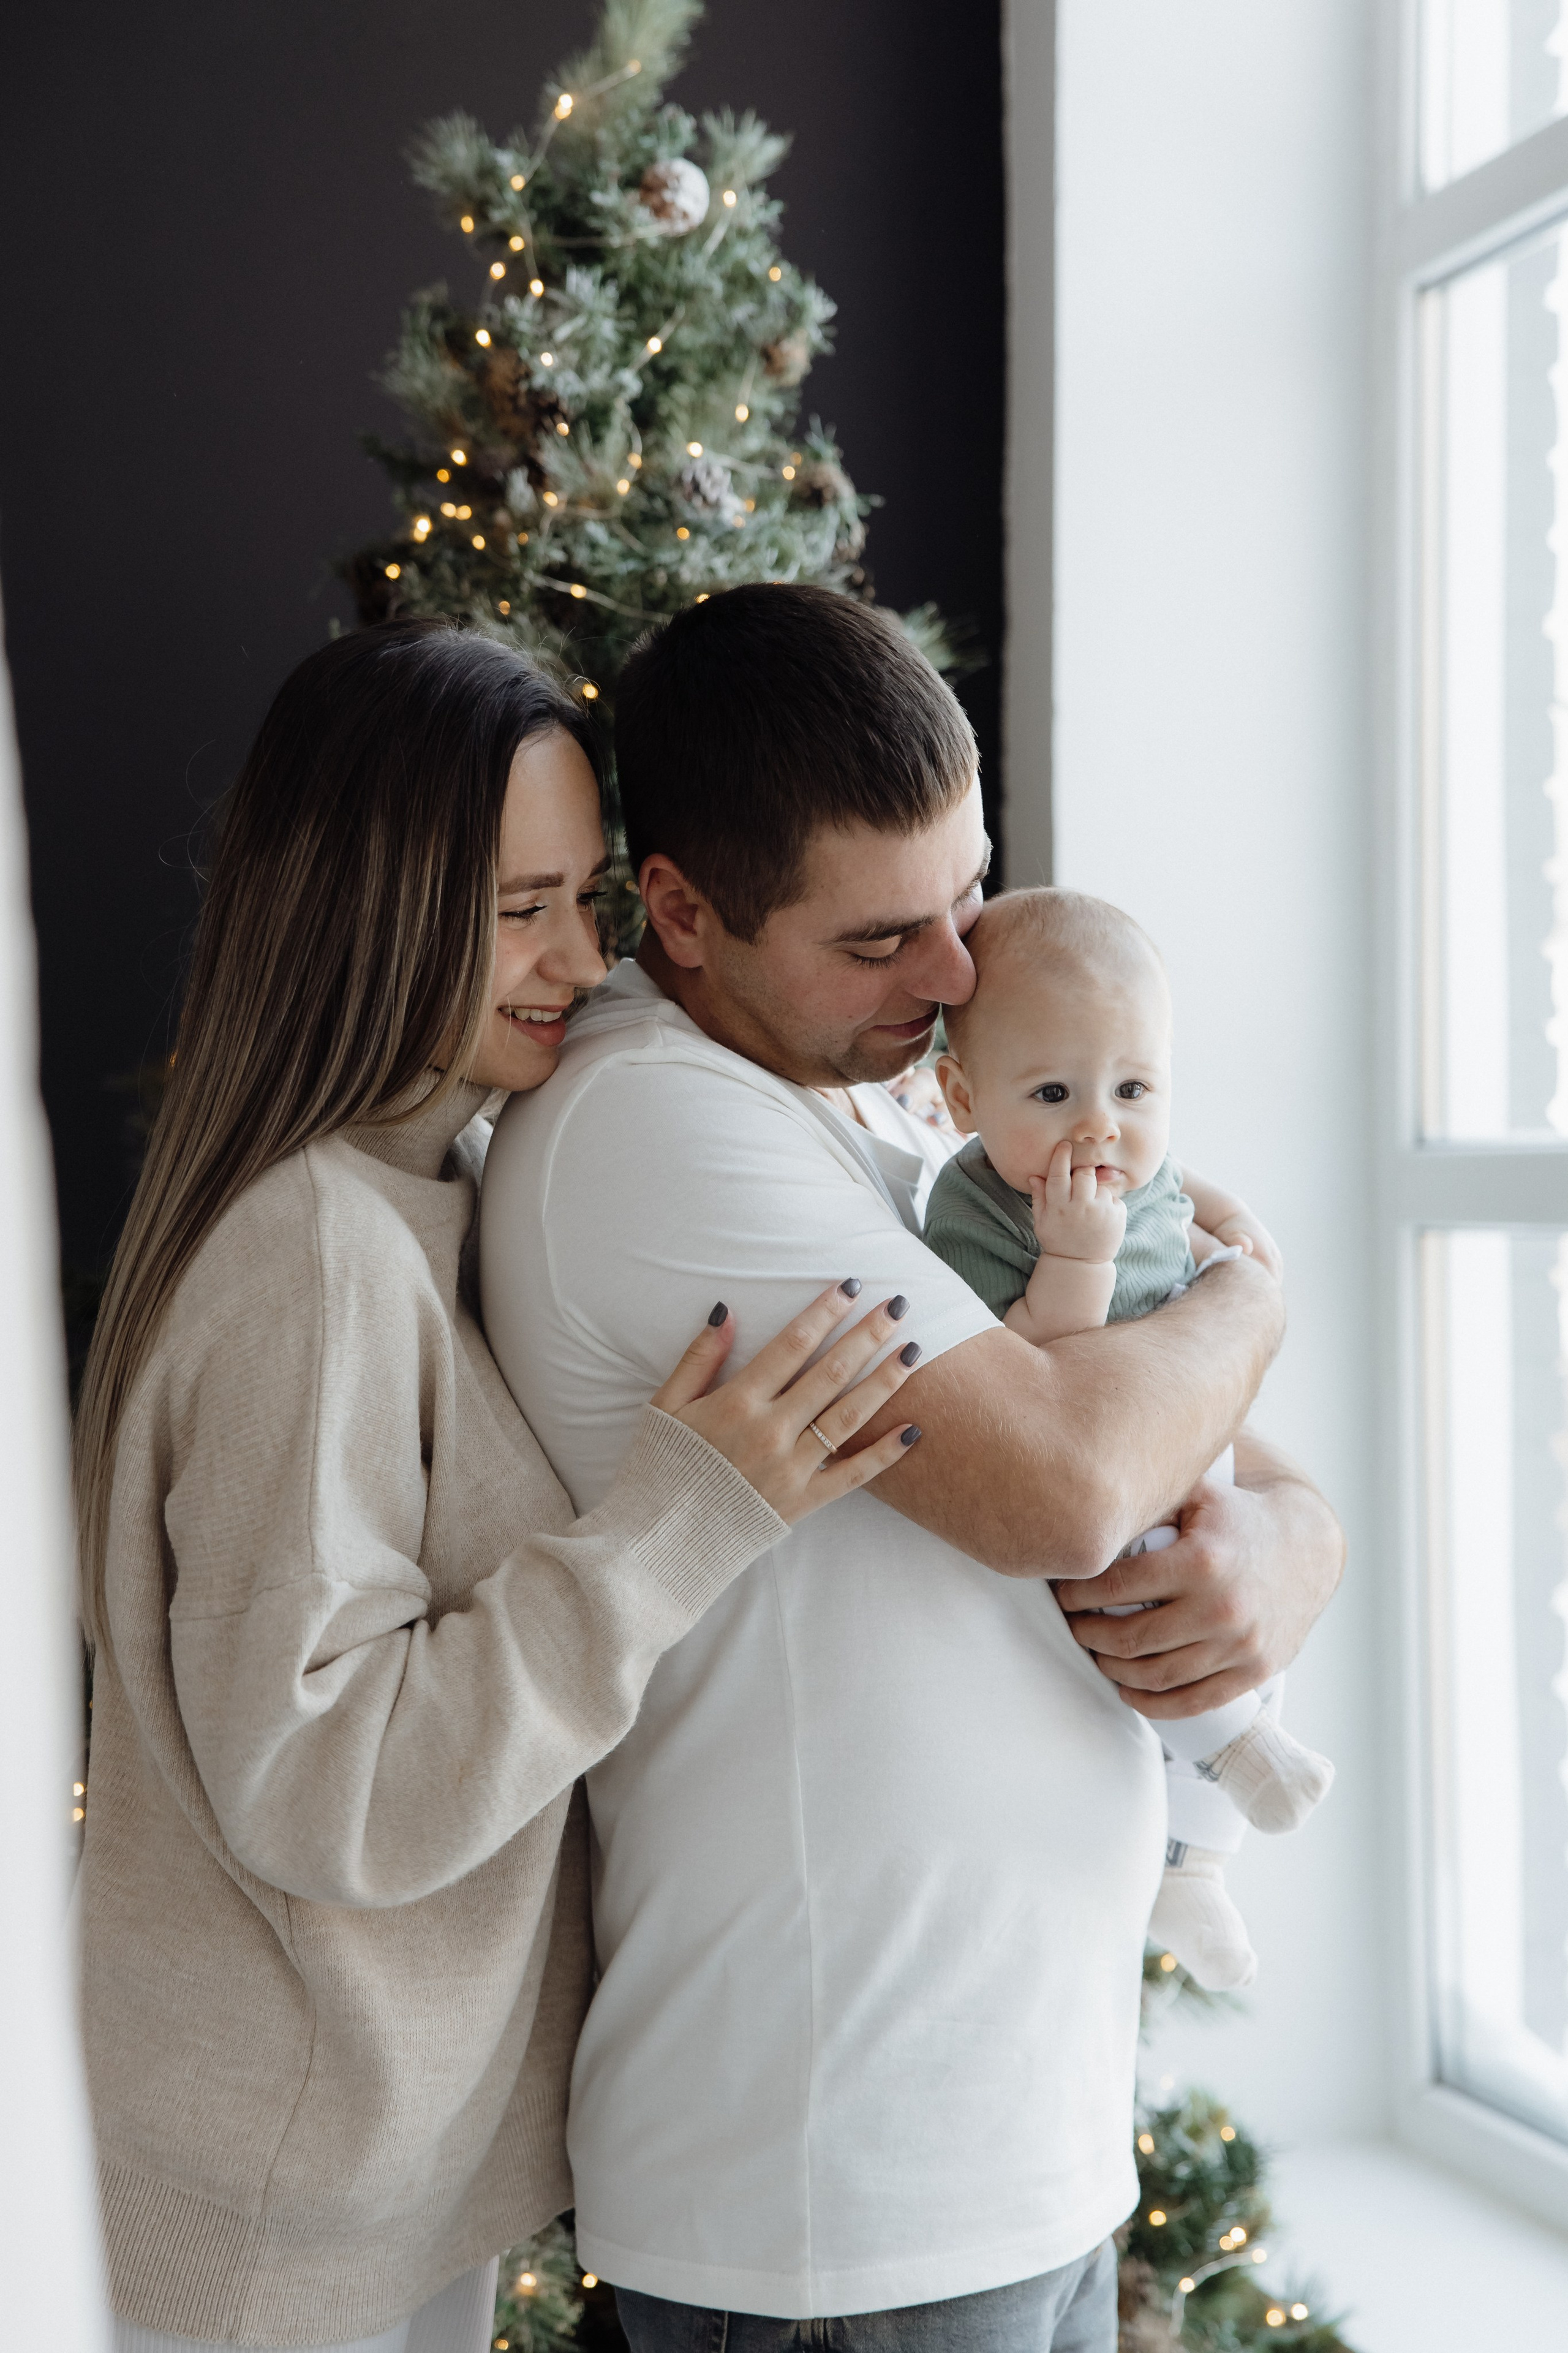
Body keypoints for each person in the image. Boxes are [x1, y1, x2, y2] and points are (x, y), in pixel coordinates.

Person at [479, 584, 1344, 2352]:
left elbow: (1207, 1443)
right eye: (883, 940)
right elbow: (1072, 1478)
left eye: (966, 897)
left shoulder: (888, 1084)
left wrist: (1290, 1547)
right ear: (686, 914)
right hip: (834, 2193)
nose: (957, 976)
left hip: (1021, 2133)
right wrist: (1262, 1293)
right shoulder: (663, 1125)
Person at [73, 618, 922, 2353]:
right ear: (374, 903)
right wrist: (678, 1525)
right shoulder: (313, 1257)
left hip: (363, 2172)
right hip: (273, 2218)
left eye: (591, 898)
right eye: (519, 905)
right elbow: (329, 1781)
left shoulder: (433, 1177)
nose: (579, 955)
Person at [924, 883, 1335, 1993]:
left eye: (1134, 1087)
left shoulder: (1125, 1161)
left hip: (1196, 1454)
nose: (1100, 1125)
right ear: (963, 1096)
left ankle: (1199, 1864)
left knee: (1242, 1620)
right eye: (1052, 1091)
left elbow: (1175, 1183)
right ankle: (1233, 1766)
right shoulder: (980, 1212)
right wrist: (1077, 1258)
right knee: (1159, 1614)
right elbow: (1030, 1367)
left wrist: (1235, 1228)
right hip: (1114, 1481)